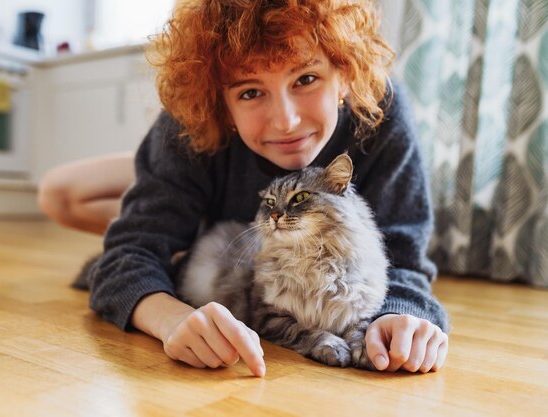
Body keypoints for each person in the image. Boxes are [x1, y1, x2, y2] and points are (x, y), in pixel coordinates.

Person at [38, 0, 449, 377]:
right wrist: (170, 316)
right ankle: (170, 205)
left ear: (343, 77)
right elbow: (125, 256)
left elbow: (406, 258)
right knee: (57, 193)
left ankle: (178, 219)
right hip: (211, 171)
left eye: (306, 79)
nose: (285, 120)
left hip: (263, 223)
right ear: (222, 104)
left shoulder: (383, 112)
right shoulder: (186, 126)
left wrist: (402, 315)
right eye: (251, 92)